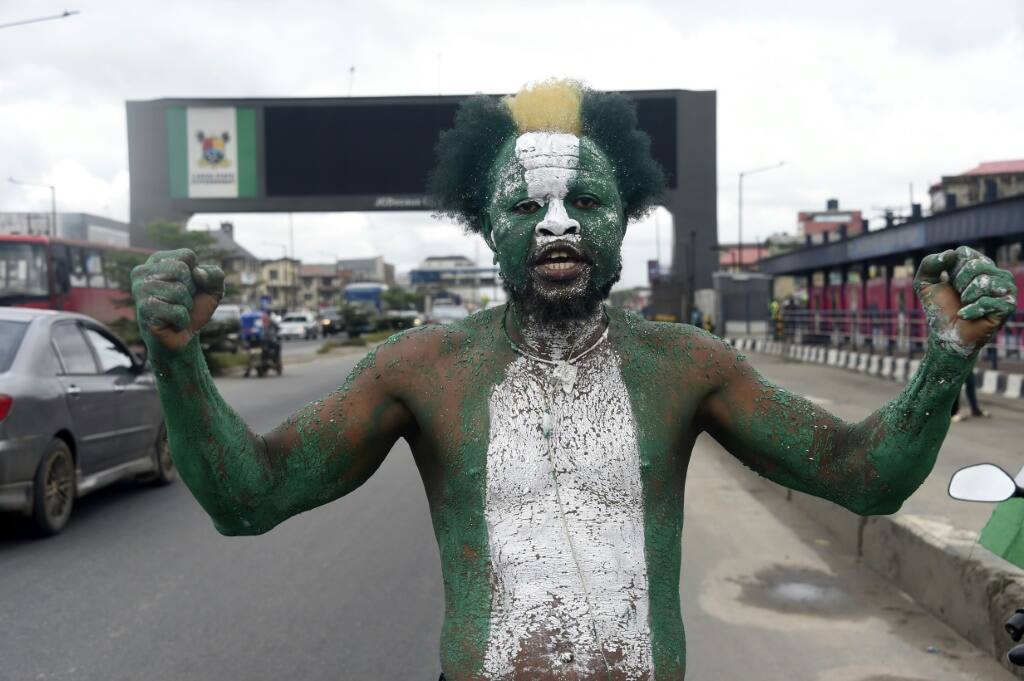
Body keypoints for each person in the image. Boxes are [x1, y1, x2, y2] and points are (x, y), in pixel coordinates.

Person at [131, 79, 1017, 681]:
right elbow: (250, 499)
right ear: (490, 229)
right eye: (526, 207)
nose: (557, 225)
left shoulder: (684, 365)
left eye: (584, 203)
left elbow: (866, 476)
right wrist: (177, 359)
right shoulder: (420, 367)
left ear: (622, 221)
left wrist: (944, 355)